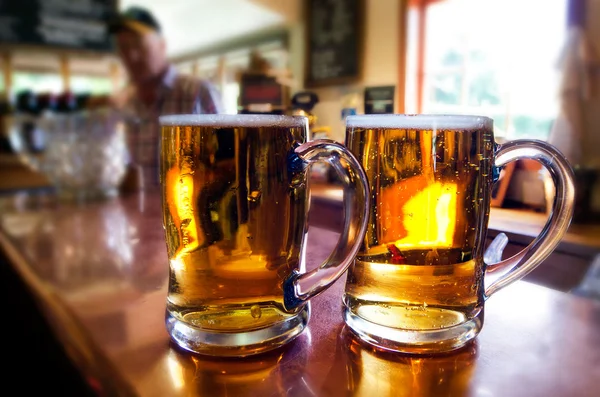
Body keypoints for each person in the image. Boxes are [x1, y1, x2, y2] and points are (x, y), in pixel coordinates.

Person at [109, 6, 223, 187]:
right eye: (124, 48)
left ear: (162, 45)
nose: (132, 55)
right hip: (141, 212)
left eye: (139, 44)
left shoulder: (198, 92)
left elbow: (224, 166)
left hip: (189, 212)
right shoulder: (128, 103)